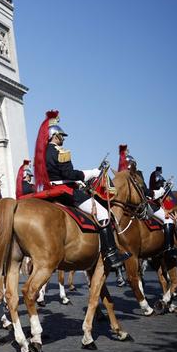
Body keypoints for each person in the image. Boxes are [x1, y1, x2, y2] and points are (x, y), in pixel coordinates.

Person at [34, 111, 130, 268]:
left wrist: (78, 183)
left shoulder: (41, 154)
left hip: (49, 190)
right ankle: (111, 253)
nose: (63, 139)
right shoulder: (61, 152)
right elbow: (68, 174)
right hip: (65, 192)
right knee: (103, 213)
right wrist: (89, 173)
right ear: (54, 136)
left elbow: (55, 175)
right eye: (61, 136)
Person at [119, 146, 177, 257]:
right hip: (143, 206)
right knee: (169, 220)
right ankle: (169, 248)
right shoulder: (137, 175)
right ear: (134, 165)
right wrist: (161, 191)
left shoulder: (120, 176)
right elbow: (145, 191)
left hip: (126, 207)